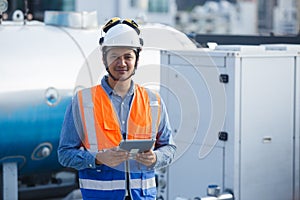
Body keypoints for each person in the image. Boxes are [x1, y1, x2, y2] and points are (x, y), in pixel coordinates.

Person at [57, 17, 176, 200]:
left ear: (136, 59)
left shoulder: (153, 101)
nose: (122, 63)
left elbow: (169, 147)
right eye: (114, 57)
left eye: (128, 56)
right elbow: (64, 154)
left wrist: (156, 158)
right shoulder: (83, 101)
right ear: (104, 58)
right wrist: (96, 159)